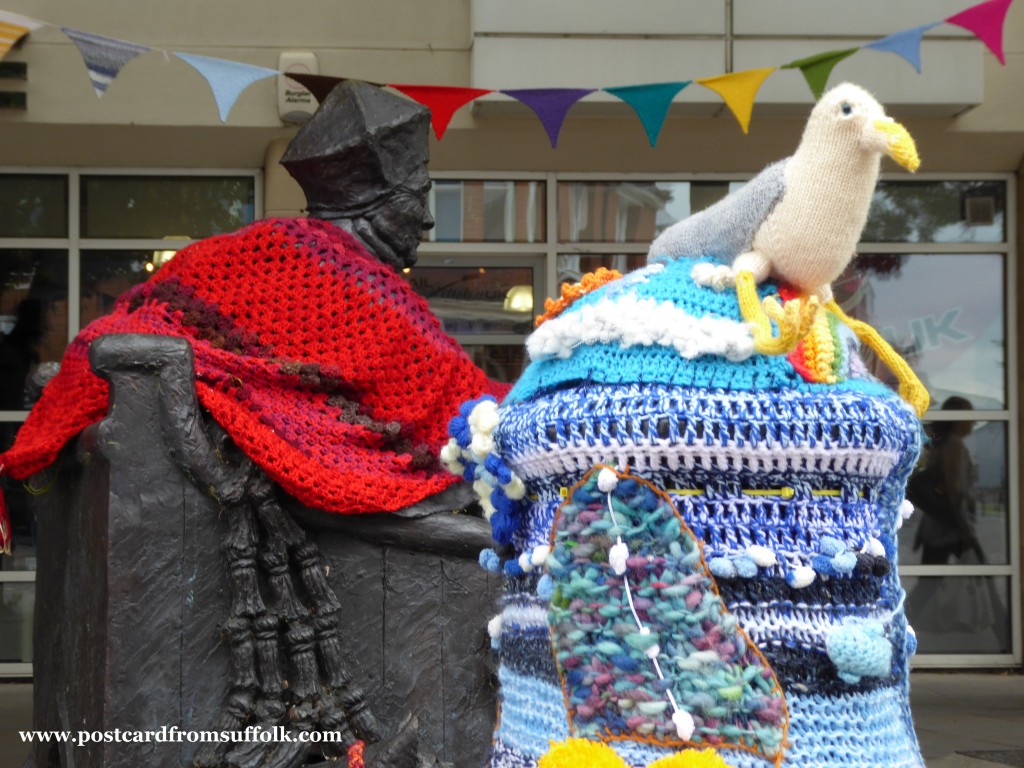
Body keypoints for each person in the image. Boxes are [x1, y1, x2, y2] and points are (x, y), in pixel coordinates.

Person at [911, 395, 978, 564]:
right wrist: (966, 529)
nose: (973, 421)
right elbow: (956, 491)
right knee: (937, 583)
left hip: (937, 524)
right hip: (946, 527)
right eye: (969, 416)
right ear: (958, 419)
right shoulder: (954, 446)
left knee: (936, 582)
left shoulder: (942, 444)